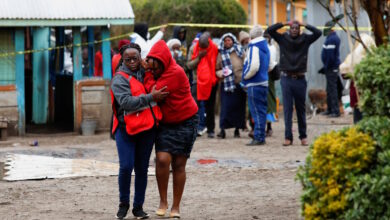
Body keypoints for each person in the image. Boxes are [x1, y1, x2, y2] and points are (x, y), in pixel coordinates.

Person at [110, 43, 169, 219]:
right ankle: (123, 204)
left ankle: (138, 207)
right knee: (126, 166)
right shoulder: (119, 79)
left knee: (142, 168)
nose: (132, 62)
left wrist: (148, 69)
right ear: (122, 59)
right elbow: (126, 102)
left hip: (147, 129)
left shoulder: (146, 74)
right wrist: (151, 97)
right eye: (128, 59)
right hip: (125, 129)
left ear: (140, 57)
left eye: (135, 58)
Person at [144, 40, 198, 218]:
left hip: (186, 122)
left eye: (155, 68)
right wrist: (150, 70)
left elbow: (152, 90)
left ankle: (176, 206)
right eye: (151, 68)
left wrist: (147, 73)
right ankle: (163, 201)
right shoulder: (160, 71)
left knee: (179, 164)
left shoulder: (174, 72)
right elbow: (151, 91)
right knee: (161, 159)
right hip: (166, 123)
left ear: (164, 61)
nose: (152, 71)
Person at [267, 20, 321, 146]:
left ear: (300, 29)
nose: (295, 30)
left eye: (297, 28)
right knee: (287, 109)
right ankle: (288, 137)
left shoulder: (305, 39)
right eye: (292, 28)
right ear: (289, 29)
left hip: (300, 79)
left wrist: (306, 24)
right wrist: (284, 23)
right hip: (286, 78)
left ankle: (303, 136)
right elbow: (269, 31)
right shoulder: (282, 39)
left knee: (301, 109)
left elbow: (318, 33)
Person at [241, 25, 270, 146]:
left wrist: (245, 76)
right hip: (263, 82)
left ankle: (258, 137)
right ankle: (261, 136)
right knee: (262, 111)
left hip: (255, 83)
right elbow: (271, 65)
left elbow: (253, 66)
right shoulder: (266, 46)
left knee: (256, 112)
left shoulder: (253, 46)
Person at [187, 32, 219, 138]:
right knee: (195, 106)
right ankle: (194, 129)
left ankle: (211, 130)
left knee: (210, 106)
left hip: (211, 81)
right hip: (197, 81)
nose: (203, 49)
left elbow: (218, 64)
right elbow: (189, 65)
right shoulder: (193, 48)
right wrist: (199, 58)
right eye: (201, 47)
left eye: (205, 47)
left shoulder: (215, 48)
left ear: (209, 43)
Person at [215, 33, 246, 139]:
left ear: (233, 41)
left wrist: (243, 76)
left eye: (229, 40)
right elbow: (217, 69)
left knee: (239, 107)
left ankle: (237, 129)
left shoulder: (240, 51)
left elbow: (246, 64)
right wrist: (221, 73)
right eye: (225, 41)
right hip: (226, 84)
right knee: (225, 107)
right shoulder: (220, 53)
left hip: (239, 83)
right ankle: (222, 130)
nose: (228, 42)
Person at [320, 21, 341, 118]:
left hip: (331, 68)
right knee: (329, 89)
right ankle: (330, 109)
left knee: (332, 89)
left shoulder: (332, 39)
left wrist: (326, 67)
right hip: (329, 67)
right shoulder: (330, 38)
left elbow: (330, 56)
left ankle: (335, 111)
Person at [264, 30, 280, 137]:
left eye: (267, 37)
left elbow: (274, 63)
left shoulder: (272, 48)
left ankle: (269, 126)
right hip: (261, 76)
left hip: (269, 77)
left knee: (269, 100)